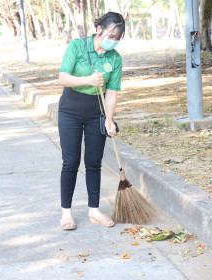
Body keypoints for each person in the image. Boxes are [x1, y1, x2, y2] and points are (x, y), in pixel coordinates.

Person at [58, 12, 125, 230]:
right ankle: (66, 213)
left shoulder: (114, 58)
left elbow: (112, 92)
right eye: (110, 35)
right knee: (71, 161)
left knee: (94, 162)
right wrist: (88, 80)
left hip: (97, 111)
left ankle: (94, 210)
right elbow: (63, 78)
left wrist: (109, 119)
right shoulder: (77, 47)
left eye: (118, 38)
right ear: (99, 30)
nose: (113, 41)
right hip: (71, 109)